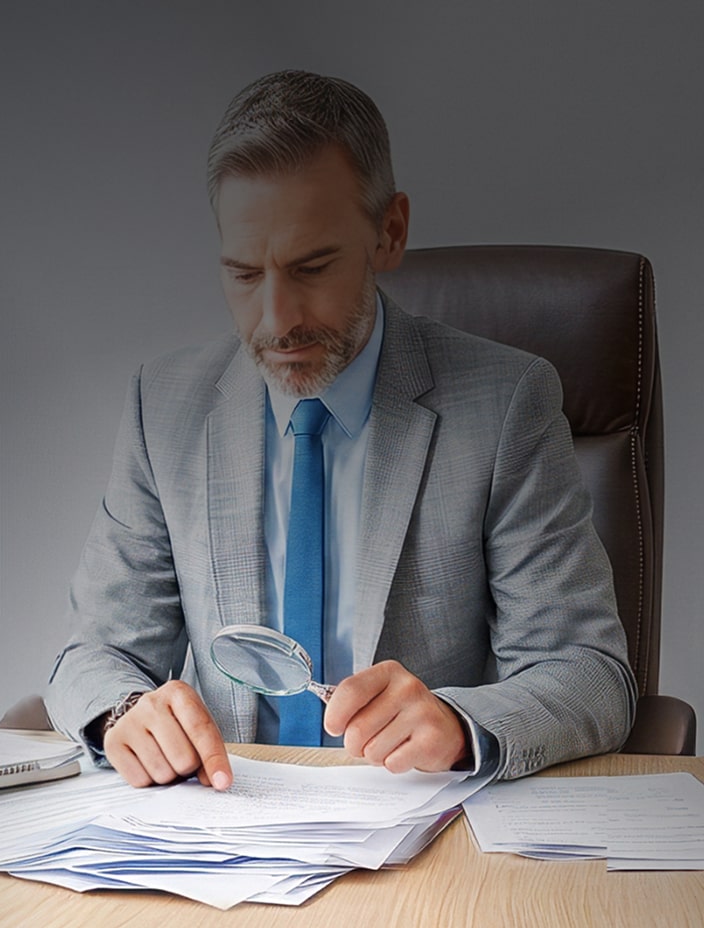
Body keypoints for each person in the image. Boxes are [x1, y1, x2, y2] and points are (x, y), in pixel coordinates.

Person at [46, 70, 637, 789]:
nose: (275, 320)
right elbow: (92, 655)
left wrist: (459, 726)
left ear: (389, 232)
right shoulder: (164, 409)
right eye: (242, 273)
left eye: (312, 266)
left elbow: (590, 673)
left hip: (421, 838)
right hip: (227, 837)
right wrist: (126, 712)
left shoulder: (508, 402)